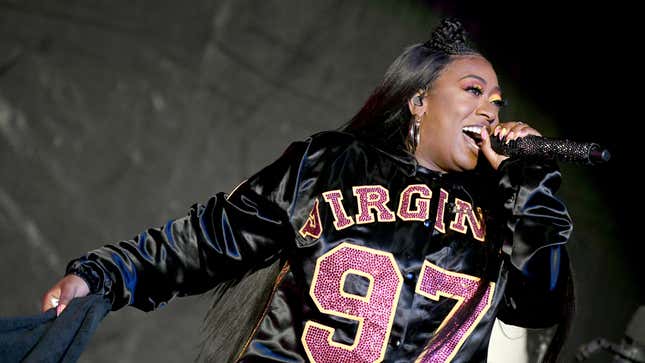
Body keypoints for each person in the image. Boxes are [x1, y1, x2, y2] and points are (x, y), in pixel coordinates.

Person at [41, 18, 574, 362]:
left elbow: (538, 307)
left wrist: (529, 185)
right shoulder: (330, 163)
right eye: (474, 90)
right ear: (418, 100)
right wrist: (102, 276)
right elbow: (208, 240)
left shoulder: (506, 204)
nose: (490, 110)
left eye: (499, 101)